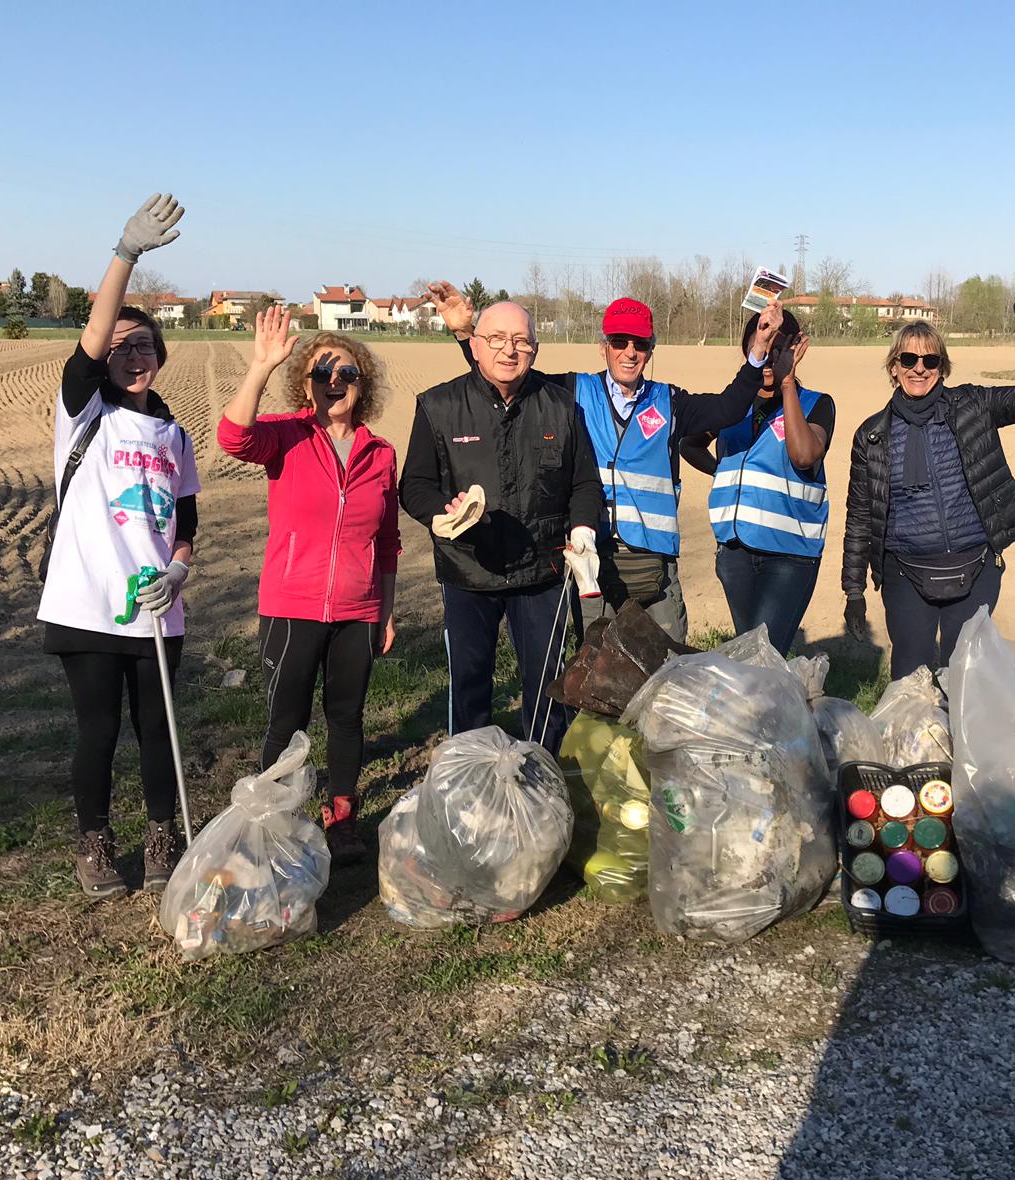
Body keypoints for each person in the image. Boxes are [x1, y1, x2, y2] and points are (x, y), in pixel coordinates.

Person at [429, 282, 786, 641]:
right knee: (597, 679)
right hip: (591, 565)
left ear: (650, 350)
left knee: (664, 675)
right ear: (603, 347)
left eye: (640, 344)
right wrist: (466, 334)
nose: (629, 352)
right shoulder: (570, 392)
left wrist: (757, 350)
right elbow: (509, 372)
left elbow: (729, 407)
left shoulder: (672, 401)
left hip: (654, 571)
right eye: (619, 342)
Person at [36, 193, 198, 900]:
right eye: (121, 347)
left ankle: (164, 836)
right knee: (99, 730)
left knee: (159, 733)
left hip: (158, 609)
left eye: (146, 346)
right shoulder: (84, 413)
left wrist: (182, 571)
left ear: (160, 356)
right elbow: (91, 340)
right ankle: (96, 844)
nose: (134, 356)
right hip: (87, 604)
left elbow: (186, 519)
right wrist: (125, 255)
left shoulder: (174, 435)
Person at [216, 306, 400, 865]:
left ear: (361, 384)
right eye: (324, 374)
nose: (335, 383)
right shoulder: (285, 437)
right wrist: (259, 367)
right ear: (306, 383)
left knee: (346, 718)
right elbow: (231, 438)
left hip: (357, 610)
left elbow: (388, 540)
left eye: (347, 374)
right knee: (286, 720)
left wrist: (384, 611)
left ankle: (341, 817)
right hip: (292, 606)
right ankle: (275, 818)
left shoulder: (381, 453)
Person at [398, 301, 603, 753]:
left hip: (541, 572)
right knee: (469, 684)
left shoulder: (561, 408)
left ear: (535, 348)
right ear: (475, 344)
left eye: (521, 341)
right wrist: (441, 512)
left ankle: (544, 775)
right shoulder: (439, 406)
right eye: (496, 339)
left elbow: (584, 482)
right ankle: (468, 782)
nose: (508, 350)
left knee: (548, 684)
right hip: (468, 569)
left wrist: (584, 528)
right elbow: (414, 485)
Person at [841, 290, 1015, 678]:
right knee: (910, 680)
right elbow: (860, 518)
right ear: (893, 368)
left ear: (942, 368)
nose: (919, 368)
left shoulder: (974, 406)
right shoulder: (872, 436)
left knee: (965, 679)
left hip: (975, 566)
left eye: (930, 360)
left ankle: (964, 740)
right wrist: (854, 590)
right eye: (908, 359)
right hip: (905, 574)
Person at [682, 309, 833, 655]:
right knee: (751, 655)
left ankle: (780, 708)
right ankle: (775, 707)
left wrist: (787, 384)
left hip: (789, 556)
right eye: (762, 347)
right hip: (734, 552)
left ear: (796, 350)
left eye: (779, 349)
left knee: (762, 657)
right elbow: (688, 443)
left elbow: (804, 455)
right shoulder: (734, 408)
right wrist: (725, 472)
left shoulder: (816, 404)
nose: (769, 358)